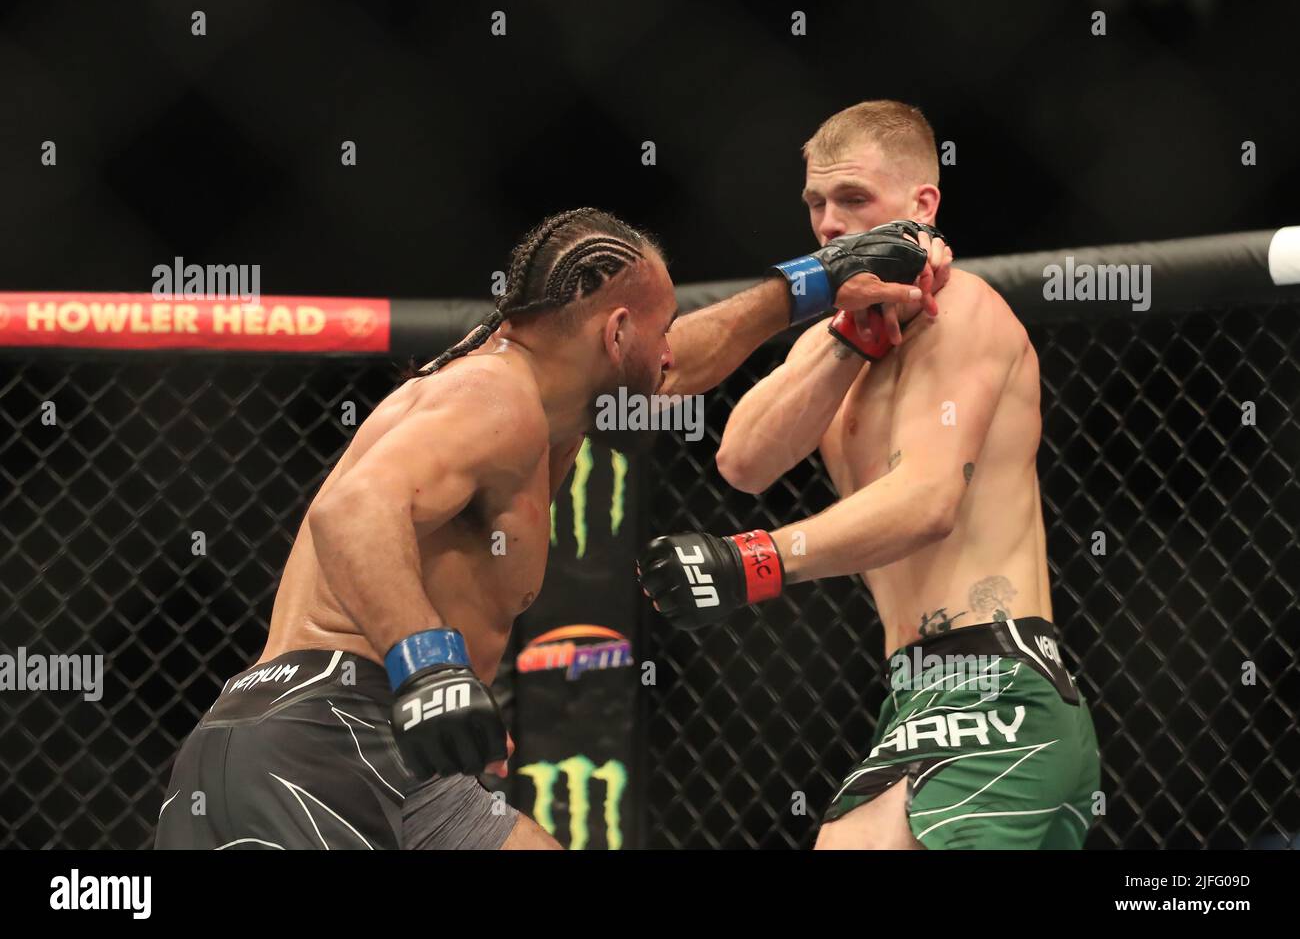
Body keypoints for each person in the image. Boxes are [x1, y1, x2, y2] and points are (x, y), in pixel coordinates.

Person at [155, 205, 946, 849]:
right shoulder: (493, 398)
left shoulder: (546, 395)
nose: (672, 347)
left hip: (382, 754)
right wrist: (430, 669)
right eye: (660, 326)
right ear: (615, 334)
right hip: (325, 737)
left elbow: (682, 360)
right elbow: (351, 509)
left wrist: (817, 285)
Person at [638, 101, 1100, 850]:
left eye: (853, 199)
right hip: (913, 695)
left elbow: (926, 501)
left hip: (995, 689)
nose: (828, 223)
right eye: (816, 204)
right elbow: (744, 458)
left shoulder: (965, 313)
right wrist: (847, 333)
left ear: (923, 206)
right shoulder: (840, 345)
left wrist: (753, 560)